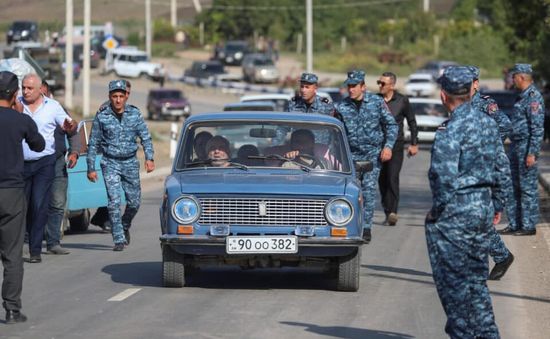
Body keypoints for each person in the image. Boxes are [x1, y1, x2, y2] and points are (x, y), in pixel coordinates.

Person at [425, 66, 509, 338]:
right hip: (482, 209)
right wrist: (497, 204)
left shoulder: (451, 130)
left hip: (456, 214)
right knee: (476, 284)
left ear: (443, 95)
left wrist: (437, 213)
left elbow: (443, 177)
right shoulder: (487, 123)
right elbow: (502, 168)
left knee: (455, 288)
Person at [87, 80, 155, 251]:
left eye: (121, 96)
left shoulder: (135, 114)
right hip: (110, 162)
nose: (118, 100)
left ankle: (124, 225)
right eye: (114, 96)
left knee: (134, 202)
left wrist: (150, 158)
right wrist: (90, 167)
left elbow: (145, 137)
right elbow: (93, 143)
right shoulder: (102, 116)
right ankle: (118, 238)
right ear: (109, 97)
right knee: (114, 201)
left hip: (130, 162)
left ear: (126, 96)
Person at [0, 71, 45, 324]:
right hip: (11, 194)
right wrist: (21, 115)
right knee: (12, 254)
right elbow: (38, 145)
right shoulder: (20, 120)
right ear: (15, 94)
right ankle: (12, 309)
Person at [335, 70, 398, 243]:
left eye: (354, 86)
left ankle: (367, 227)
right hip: (349, 157)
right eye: (349, 86)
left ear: (363, 87)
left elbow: (392, 125)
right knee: (349, 193)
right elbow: (334, 133)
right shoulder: (341, 107)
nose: (351, 89)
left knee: (369, 192)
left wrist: (388, 146)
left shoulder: (376, 103)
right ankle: (349, 225)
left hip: (372, 155)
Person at [19, 74, 76, 263]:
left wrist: (70, 126)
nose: (25, 91)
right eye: (23, 87)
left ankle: (35, 251)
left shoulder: (53, 107)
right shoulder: (17, 105)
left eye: (29, 88)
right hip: (20, 163)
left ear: (40, 89)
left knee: (39, 204)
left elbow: (70, 125)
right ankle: (16, 247)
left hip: (45, 162)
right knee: (20, 206)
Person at [468, 65, 515, 280]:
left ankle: (501, 255)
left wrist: (491, 145)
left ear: (476, 84)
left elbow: (505, 125)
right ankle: (497, 256)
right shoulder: (461, 104)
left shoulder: (485, 104)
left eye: (467, 83)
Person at [498, 64, 545, 236]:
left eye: (514, 77)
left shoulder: (533, 97)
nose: (512, 80)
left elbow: (537, 128)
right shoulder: (521, 96)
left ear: (522, 77)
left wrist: (532, 152)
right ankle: (515, 223)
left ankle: (528, 225)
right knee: (513, 186)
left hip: (526, 146)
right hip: (516, 145)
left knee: (527, 188)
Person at [42, 81, 80, 255]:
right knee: (33, 202)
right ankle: (27, 240)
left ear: (47, 92)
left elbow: (73, 131)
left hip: (57, 161)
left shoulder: (57, 109)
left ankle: (53, 242)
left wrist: (74, 152)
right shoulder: (24, 108)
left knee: (57, 202)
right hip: (33, 162)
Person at [376, 72, 418, 226]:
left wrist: (414, 143)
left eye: (383, 83)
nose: (380, 86)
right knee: (382, 180)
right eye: (378, 82)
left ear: (392, 85)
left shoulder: (402, 100)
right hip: (378, 147)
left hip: (396, 146)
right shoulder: (375, 100)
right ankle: (387, 211)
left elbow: (412, 121)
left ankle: (393, 211)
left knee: (392, 177)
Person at [90, 80, 132, 232]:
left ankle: (101, 217)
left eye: (126, 93)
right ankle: (107, 219)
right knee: (113, 190)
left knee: (119, 190)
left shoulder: (129, 110)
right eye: (122, 93)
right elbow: (98, 133)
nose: (123, 96)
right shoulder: (105, 108)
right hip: (108, 155)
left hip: (125, 157)